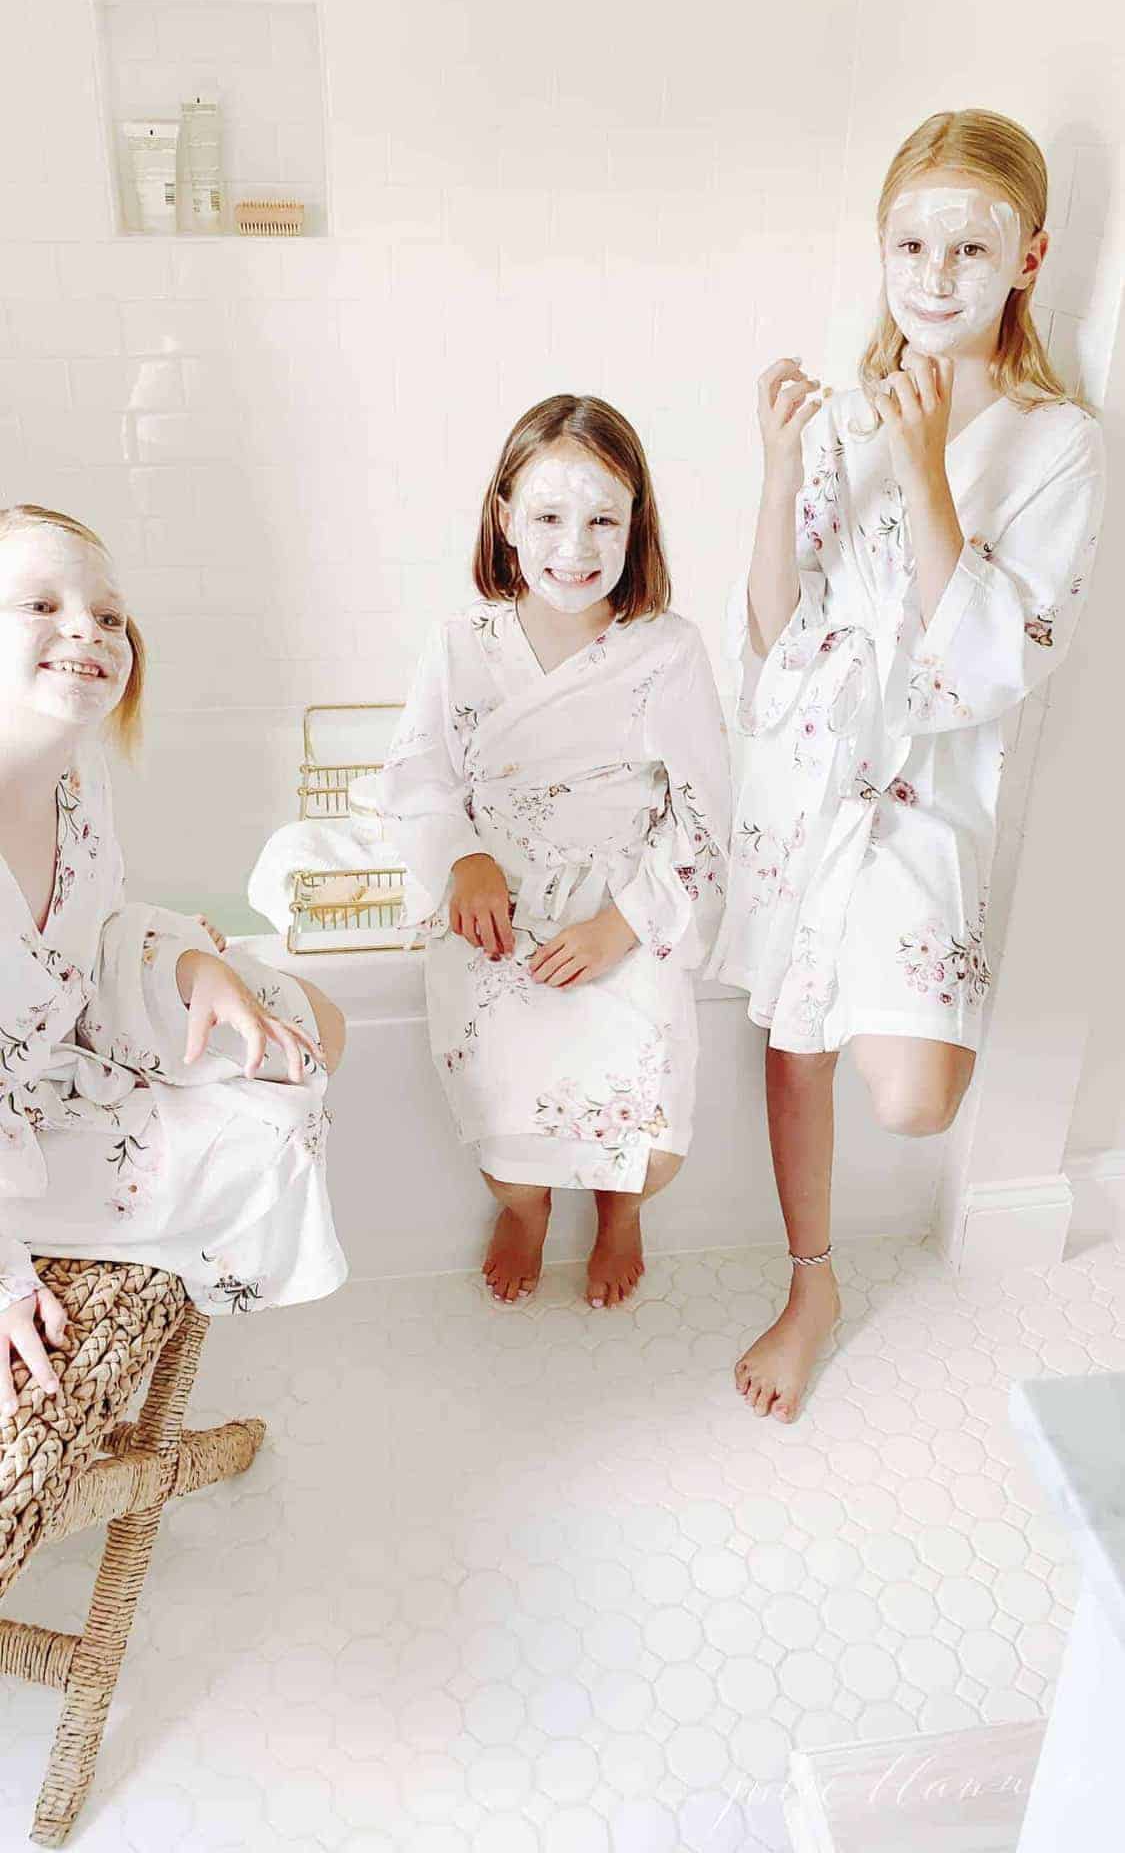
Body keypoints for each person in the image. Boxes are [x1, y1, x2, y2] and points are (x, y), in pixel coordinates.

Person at [711, 110, 1105, 1421]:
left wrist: (929, 470)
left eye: (970, 247)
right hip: (809, 782)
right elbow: (773, 639)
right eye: (909, 244)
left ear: (1030, 258)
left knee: (920, 1096)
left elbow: (990, 662)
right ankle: (809, 1281)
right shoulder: (841, 422)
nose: (934, 275)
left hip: (927, 799)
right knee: (797, 1030)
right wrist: (779, 475)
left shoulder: (1060, 444)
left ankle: (829, 1259)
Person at [370, 395, 730, 1307]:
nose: (575, 546)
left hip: (623, 901)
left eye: (603, 518)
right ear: (505, 519)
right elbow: (416, 773)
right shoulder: (461, 644)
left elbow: (702, 814)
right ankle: (524, 1211)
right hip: (499, 908)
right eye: (549, 517)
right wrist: (462, 860)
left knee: (648, 1146)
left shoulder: (668, 652)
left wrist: (625, 923)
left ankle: (620, 1213)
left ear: (635, 523)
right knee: (503, 1112)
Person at [0, 505, 347, 1418]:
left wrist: (202, 974)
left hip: (52, 1058)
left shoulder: (76, 779)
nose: (87, 629)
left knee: (299, 1022)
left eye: (109, 615)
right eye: (39, 604)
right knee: (270, 1135)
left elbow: (101, 925)